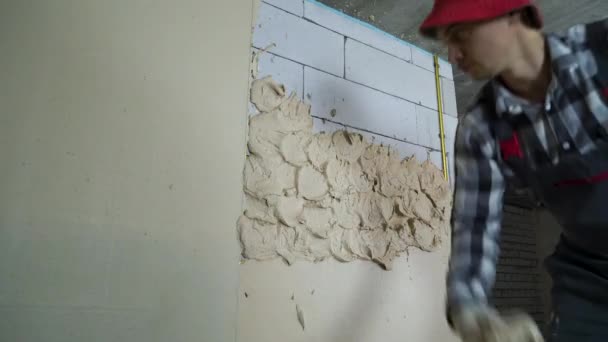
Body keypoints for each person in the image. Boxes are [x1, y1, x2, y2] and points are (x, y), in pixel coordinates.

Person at [419, 0, 608, 341]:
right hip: (591, 274)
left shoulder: (601, 50)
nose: (453, 55)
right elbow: (475, 225)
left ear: (511, 14)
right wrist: (470, 311)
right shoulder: (481, 128)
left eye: (460, 35)